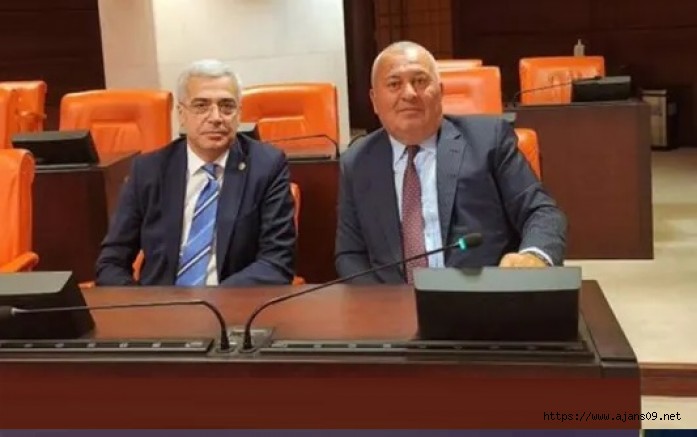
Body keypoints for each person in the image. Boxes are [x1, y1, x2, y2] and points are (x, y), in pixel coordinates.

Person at [335, 41, 567, 284]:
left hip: (480, 295)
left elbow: (541, 212)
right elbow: (350, 254)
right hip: (391, 302)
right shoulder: (357, 162)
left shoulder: (488, 140)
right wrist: (381, 301)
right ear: (374, 100)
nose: (409, 93)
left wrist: (534, 255)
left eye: (420, 81)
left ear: (440, 91)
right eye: (394, 84)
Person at [96, 59, 296, 286]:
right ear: (182, 114)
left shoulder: (266, 166)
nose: (216, 117)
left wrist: (211, 301)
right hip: (161, 303)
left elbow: (277, 262)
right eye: (201, 106)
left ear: (239, 114)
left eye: (227, 106)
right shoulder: (149, 170)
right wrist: (143, 303)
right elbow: (111, 262)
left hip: (233, 302)